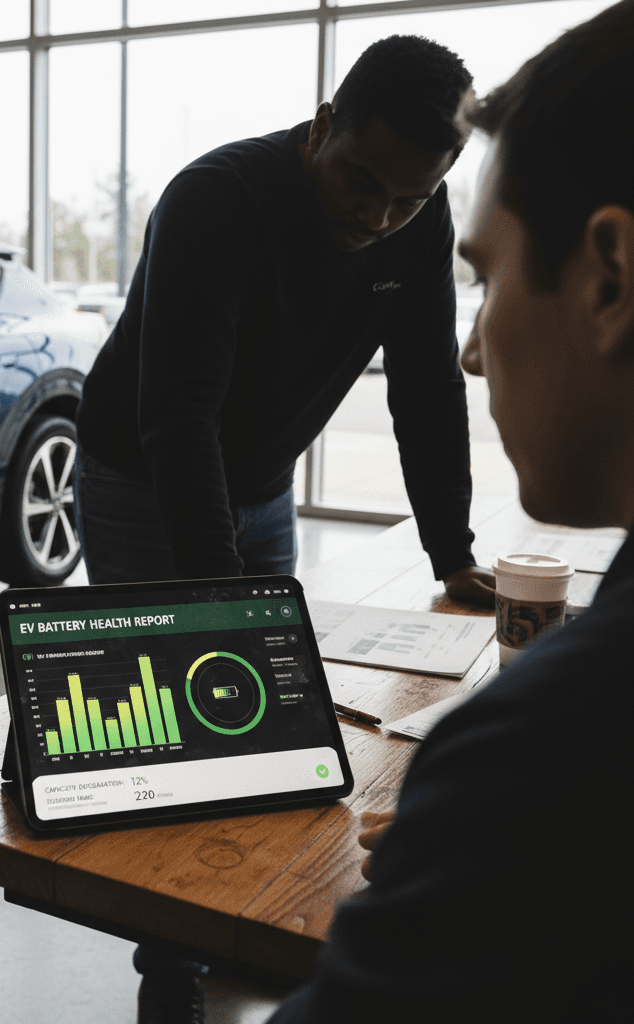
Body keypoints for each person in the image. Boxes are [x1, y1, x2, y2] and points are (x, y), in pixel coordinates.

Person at [266, 3, 633, 1020]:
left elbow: (426, 388)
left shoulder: (555, 744)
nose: (476, 348)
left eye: (489, 276)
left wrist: (480, 833)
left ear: (608, 282)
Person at [75, 35, 495, 606]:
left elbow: (429, 389)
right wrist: (222, 591)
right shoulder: (215, 200)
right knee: (159, 677)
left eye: (408, 200)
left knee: (270, 676)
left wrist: (453, 556)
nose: (376, 218)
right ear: (323, 128)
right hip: (142, 481)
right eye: (362, 181)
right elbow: (180, 417)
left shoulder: (425, 222)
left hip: (267, 488)